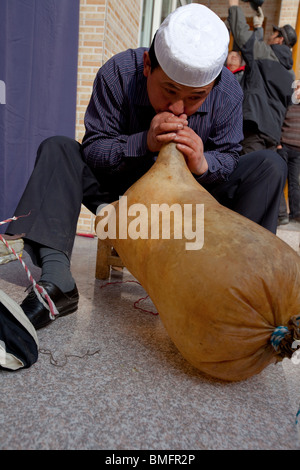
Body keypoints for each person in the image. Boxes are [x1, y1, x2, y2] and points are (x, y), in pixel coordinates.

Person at [6, 3, 287, 330]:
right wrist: (143, 142)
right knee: (58, 149)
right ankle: (57, 282)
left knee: (269, 165)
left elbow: (229, 156)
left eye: (196, 98)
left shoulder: (226, 91)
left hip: (193, 206)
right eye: (169, 90)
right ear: (147, 65)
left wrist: (203, 161)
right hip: (125, 200)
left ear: (210, 88)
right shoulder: (119, 73)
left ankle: (241, 289)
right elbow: (94, 148)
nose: (179, 108)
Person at [227, 0, 297, 154]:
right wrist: (258, 27)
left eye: (274, 34)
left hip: (254, 130)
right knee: (262, 174)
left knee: (248, 174)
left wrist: (234, 6)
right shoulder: (291, 74)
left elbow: (241, 34)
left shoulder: (264, 54)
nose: (270, 37)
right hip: (273, 135)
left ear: (280, 40)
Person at [277, 80, 300, 225]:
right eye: (297, 87)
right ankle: (281, 214)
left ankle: (296, 213)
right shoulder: (287, 104)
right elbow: (278, 122)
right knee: (279, 180)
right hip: (283, 147)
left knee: (294, 183)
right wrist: (278, 143)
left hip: (298, 151)